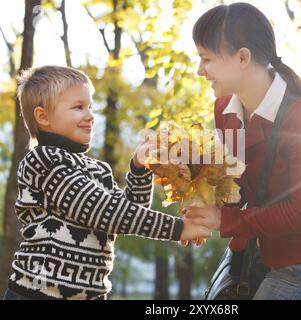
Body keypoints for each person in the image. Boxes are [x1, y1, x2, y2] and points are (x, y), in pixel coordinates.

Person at [3, 65, 211, 300]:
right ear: (43, 117)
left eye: (90, 106)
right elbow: (99, 209)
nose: (90, 115)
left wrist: (139, 171)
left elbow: (127, 214)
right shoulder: (44, 161)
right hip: (38, 294)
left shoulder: (97, 168)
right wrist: (178, 228)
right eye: (78, 107)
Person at [185, 3, 301, 299]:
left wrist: (226, 221)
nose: (200, 70)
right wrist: (204, 209)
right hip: (253, 250)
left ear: (243, 57)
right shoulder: (224, 109)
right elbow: (238, 181)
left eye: (206, 59)